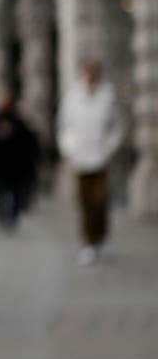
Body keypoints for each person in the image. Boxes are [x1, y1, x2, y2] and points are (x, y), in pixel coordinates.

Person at [58, 59, 125, 266]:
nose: (90, 77)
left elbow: (118, 126)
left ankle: (101, 236)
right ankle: (88, 242)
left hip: (100, 158)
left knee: (100, 201)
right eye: (87, 73)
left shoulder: (108, 97)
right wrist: (70, 149)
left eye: (93, 73)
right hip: (80, 159)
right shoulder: (73, 96)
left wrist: (108, 149)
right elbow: (64, 125)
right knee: (85, 202)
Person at [0, 91, 41, 231]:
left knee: (14, 192)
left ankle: (11, 218)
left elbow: (28, 142)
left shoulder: (18, 122)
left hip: (14, 164)